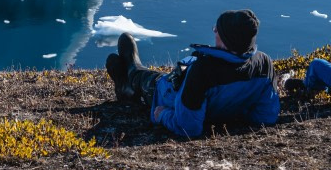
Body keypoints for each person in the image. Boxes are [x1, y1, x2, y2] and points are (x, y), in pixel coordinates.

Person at [105, 9, 280, 139]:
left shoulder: (205, 71)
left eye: (217, 30)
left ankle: (130, 76)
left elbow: (188, 128)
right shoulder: (263, 63)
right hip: (208, 104)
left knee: (145, 78)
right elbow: (267, 115)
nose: (214, 32)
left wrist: (162, 114)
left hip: (165, 95)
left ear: (227, 41)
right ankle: (126, 85)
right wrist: (234, 113)